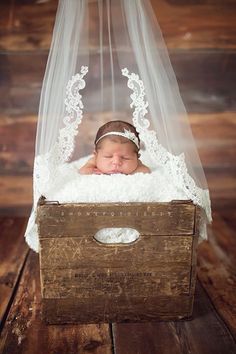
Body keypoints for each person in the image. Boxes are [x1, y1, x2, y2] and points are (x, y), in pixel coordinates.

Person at [79, 120, 150, 175]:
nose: (116, 162)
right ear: (96, 155)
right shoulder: (94, 161)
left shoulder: (137, 163)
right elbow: (83, 171)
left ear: (137, 157)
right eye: (108, 156)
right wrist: (92, 171)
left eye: (125, 158)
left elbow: (146, 171)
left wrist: (131, 173)